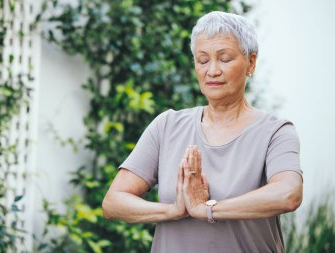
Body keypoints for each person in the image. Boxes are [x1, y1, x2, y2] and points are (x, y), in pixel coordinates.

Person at [102, 11, 303, 253]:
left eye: (225, 59)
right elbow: (113, 202)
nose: (212, 71)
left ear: (251, 62)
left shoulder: (276, 132)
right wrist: (173, 210)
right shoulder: (167, 126)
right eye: (202, 60)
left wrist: (206, 209)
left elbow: (288, 194)